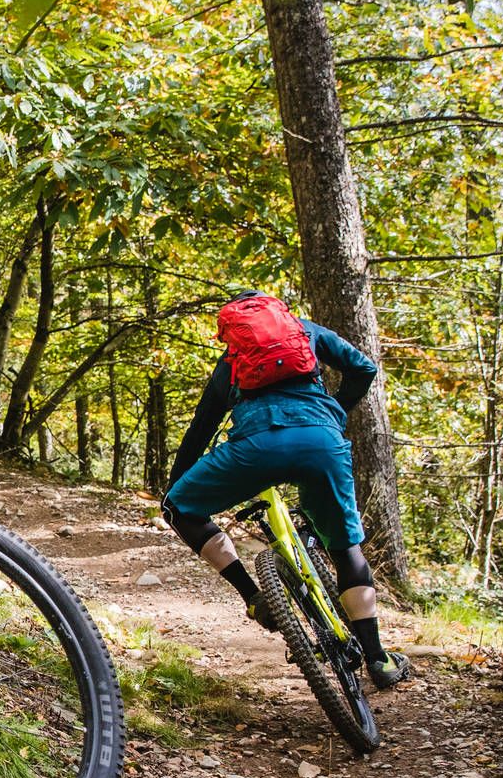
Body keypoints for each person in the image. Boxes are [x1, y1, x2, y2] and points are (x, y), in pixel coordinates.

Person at [162, 291, 412, 689]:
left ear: (234, 329)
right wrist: (335, 411)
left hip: (255, 449)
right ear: (279, 314)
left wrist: (174, 488)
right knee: (346, 550)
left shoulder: (233, 361)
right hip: (321, 443)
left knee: (180, 508)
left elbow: (202, 426)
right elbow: (363, 369)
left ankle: (254, 596)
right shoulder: (307, 332)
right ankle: (378, 659)